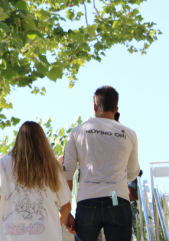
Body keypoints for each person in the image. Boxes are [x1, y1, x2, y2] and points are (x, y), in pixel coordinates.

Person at [62, 86, 140, 241]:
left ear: (94, 106)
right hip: (118, 199)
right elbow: (132, 173)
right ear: (116, 109)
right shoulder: (130, 134)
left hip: (87, 201)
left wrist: (65, 210)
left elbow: (67, 173)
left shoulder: (78, 132)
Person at [0, 121, 72, 241]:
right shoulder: (52, 166)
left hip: (12, 235)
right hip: (46, 235)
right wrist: (54, 227)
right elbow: (66, 206)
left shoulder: (3, 162)